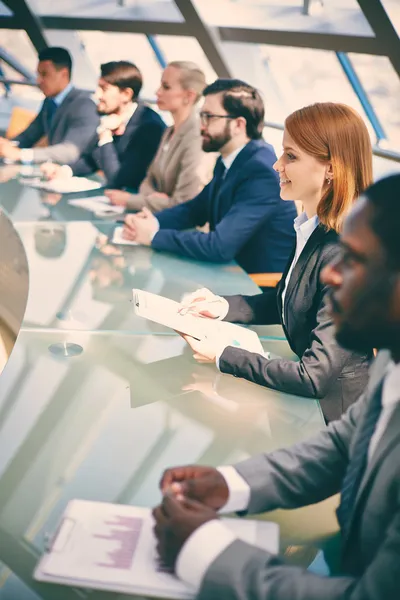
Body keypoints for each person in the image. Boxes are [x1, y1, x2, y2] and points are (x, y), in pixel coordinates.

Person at [153, 173, 400, 600]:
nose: (333, 275)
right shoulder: (391, 360)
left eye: (354, 260)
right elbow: (344, 443)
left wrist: (206, 552)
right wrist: (230, 484)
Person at [180, 102, 373, 422]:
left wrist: (223, 355)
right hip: (303, 409)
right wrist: (222, 306)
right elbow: (289, 299)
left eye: (291, 156)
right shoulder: (311, 228)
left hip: (334, 419)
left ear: (331, 169)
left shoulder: (344, 256)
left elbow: (314, 376)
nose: (276, 165)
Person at [122, 78, 297, 275]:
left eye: (209, 117)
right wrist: (151, 222)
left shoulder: (261, 171)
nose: (201, 126)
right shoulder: (231, 159)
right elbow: (194, 210)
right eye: (201, 116)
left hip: (257, 286)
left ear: (238, 125)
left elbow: (219, 247)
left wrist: (153, 236)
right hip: (229, 272)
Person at [41, 61, 166, 190]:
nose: (97, 95)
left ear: (126, 94)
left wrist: (105, 136)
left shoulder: (148, 128)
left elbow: (118, 180)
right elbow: (91, 159)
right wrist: (65, 171)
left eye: (104, 89)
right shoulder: (112, 117)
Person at [105, 61, 211, 211]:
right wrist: (152, 198)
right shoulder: (169, 131)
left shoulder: (197, 138)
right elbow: (149, 179)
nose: (157, 92)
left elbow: (184, 202)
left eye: (166, 87)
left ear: (189, 95)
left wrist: (131, 200)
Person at [0, 47, 99, 164]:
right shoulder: (49, 102)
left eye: (44, 74)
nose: (39, 80)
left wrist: (21, 154)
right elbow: (30, 135)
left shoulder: (84, 105)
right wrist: (7, 146)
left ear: (64, 74)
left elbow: (70, 151)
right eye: (38, 74)